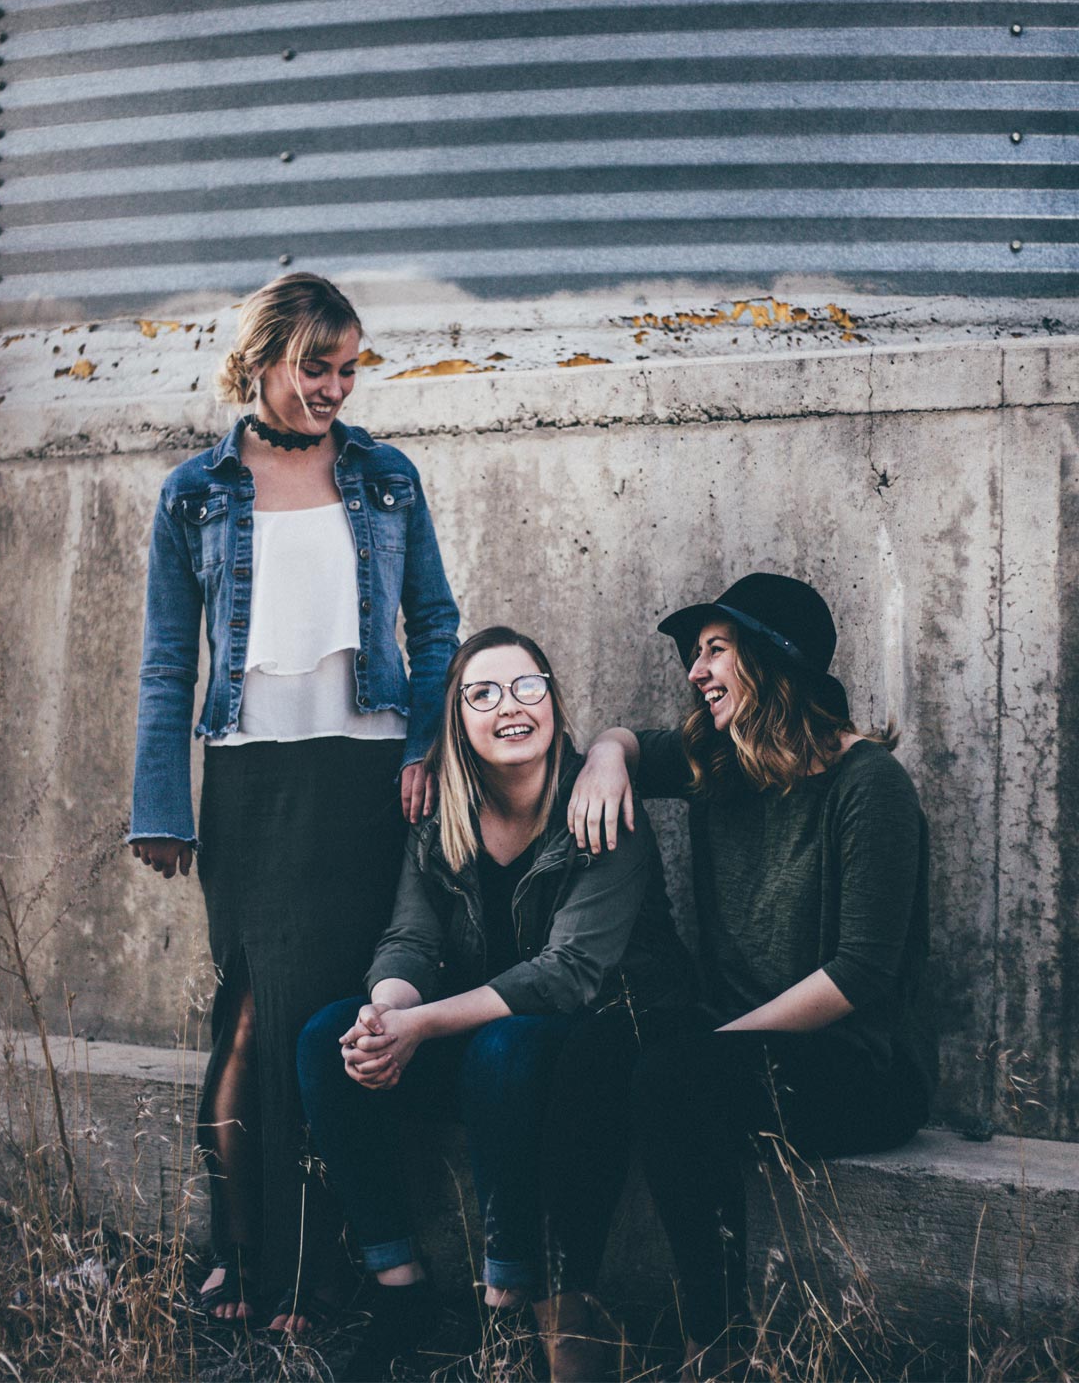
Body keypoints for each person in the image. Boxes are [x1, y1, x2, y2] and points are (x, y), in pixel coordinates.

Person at [126, 272, 459, 1332]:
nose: (335, 388)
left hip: (368, 781)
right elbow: (168, 661)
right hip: (252, 785)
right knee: (249, 1015)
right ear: (263, 359)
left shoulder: (388, 476)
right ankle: (239, 1254)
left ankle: (325, 1264)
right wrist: (162, 804)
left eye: (349, 368)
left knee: (335, 1019)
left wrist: (423, 745)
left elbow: (436, 625)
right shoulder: (193, 492)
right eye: (317, 366)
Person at [567, 572, 937, 1380]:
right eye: (695, 654)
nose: (695, 671)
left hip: (861, 1065)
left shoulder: (868, 783)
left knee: (674, 1076)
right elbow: (627, 741)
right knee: (594, 1049)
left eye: (716, 650)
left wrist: (718, 1042)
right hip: (734, 1048)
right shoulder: (716, 760)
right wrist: (605, 757)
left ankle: (718, 1346)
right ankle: (572, 1315)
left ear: (773, 661)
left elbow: (860, 972)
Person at [297, 626, 693, 1380]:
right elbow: (409, 938)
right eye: (482, 694)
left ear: (553, 701)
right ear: (458, 721)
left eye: (526, 687)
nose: (509, 706)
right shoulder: (442, 816)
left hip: (584, 1047)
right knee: (326, 1037)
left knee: (503, 1046)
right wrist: (385, 1016)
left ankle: (507, 1296)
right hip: (485, 1050)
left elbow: (568, 974)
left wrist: (421, 1024)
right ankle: (400, 1289)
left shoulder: (600, 803)